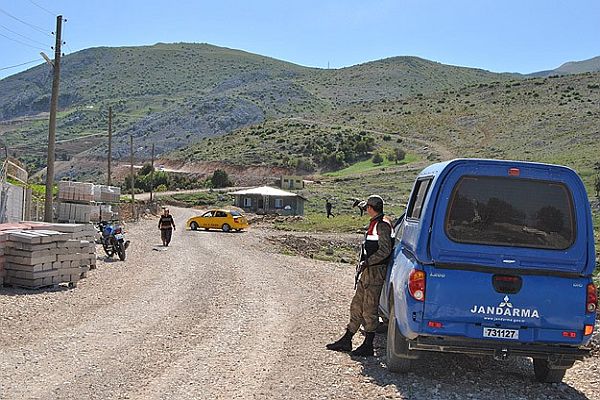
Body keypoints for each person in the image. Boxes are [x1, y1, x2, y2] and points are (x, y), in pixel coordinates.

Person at [326, 195, 393, 357]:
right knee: (357, 305)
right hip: (368, 271)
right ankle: (347, 339)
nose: (364, 210)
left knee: (369, 308)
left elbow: (385, 250)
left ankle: (368, 345)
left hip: (375, 272)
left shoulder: (383, 224)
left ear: (371, 208)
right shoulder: (377, 221)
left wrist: (368, 262)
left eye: (366, 207)